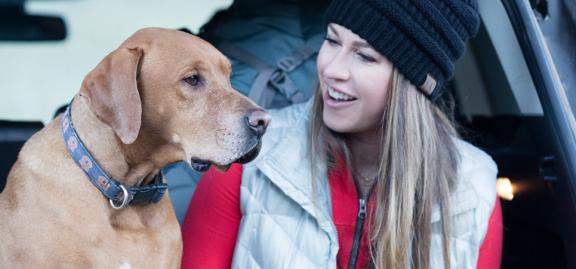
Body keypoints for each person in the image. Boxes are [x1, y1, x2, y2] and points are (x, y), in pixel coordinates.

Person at [181, 0, 502, 268]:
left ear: (416, 83)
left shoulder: (473, 191)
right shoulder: (251, 160)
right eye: (332, 40)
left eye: (364, 56)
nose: (332, 68)